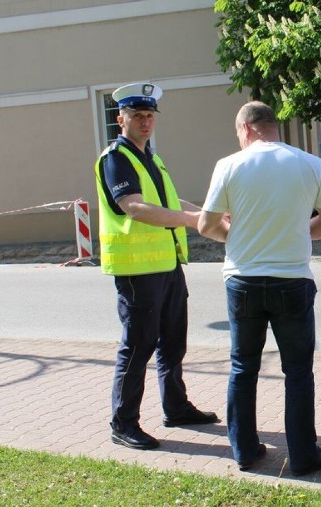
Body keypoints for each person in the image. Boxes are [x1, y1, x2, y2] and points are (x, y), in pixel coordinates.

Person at [198, 101, 321, 475]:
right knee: (297, 370)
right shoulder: (309, 163)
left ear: (245, 128)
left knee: (242, 366)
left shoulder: (228, 165)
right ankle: (303, 455)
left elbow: (206, 225)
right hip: (292, 279)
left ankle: (245, 451)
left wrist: (235, 236)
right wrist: (300, 234)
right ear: (272, 126)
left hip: (242, 279)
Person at [94, 82, 218, 451]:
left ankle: (176, 407)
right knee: (138, 346)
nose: (145, 122)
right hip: (137, 271)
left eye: (150, 116)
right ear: (121, 119)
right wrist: (192, 221)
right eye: (137, 116)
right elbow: (134, 206)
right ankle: (123, 422)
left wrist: (206, 213)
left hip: (166, 266)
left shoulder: (151, 157)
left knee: (172, 343)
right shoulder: (116, 158)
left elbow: (166, 199)